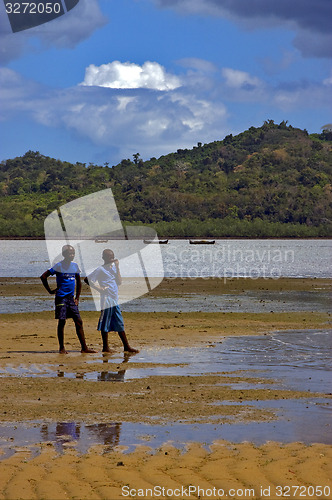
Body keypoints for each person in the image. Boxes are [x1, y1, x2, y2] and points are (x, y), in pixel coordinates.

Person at [40, 244, 96, 354]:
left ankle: (84, 348)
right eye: (70, 253)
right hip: (61, 298)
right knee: (62, 322)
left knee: (79, 321)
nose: (72, 255)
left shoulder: (75, 266)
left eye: (73, 253)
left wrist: (77, 298)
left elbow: (79, 283)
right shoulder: (58, 266)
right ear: (64, 254)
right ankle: (61, 348)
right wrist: (50, 291)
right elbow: (43, 277)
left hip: (71, 299)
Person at [84, 249, 138, 353]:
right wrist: (99, 289)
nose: (111, 259)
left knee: (119, 322)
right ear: (103, 258)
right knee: (105, 323)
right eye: (109, 257)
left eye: (112, 257)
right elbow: (87, 279)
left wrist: (117, 267)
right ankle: (105, 347)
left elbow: (119, 282)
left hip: (114, 299)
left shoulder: (113, 268)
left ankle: (126, 346)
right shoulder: (100, 269)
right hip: (106, 299)